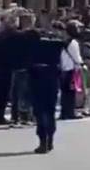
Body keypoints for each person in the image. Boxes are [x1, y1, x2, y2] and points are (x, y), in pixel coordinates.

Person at [27, 25, 65, 154]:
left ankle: (43, 141)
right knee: (50, 111)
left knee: (40, 112)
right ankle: (50, 140)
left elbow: (27, 67)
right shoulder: (55, 48)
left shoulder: (32, 49)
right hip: (52, 83)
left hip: (37, 84)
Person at [58, 22, 83, 120]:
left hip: (63, 68)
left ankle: (64, 113)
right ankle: (70, 112)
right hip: (71, 68)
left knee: (65, 92)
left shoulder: (62, 41)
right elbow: (76, 57)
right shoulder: (73, 43)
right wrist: (80, 63)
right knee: (71, 92)